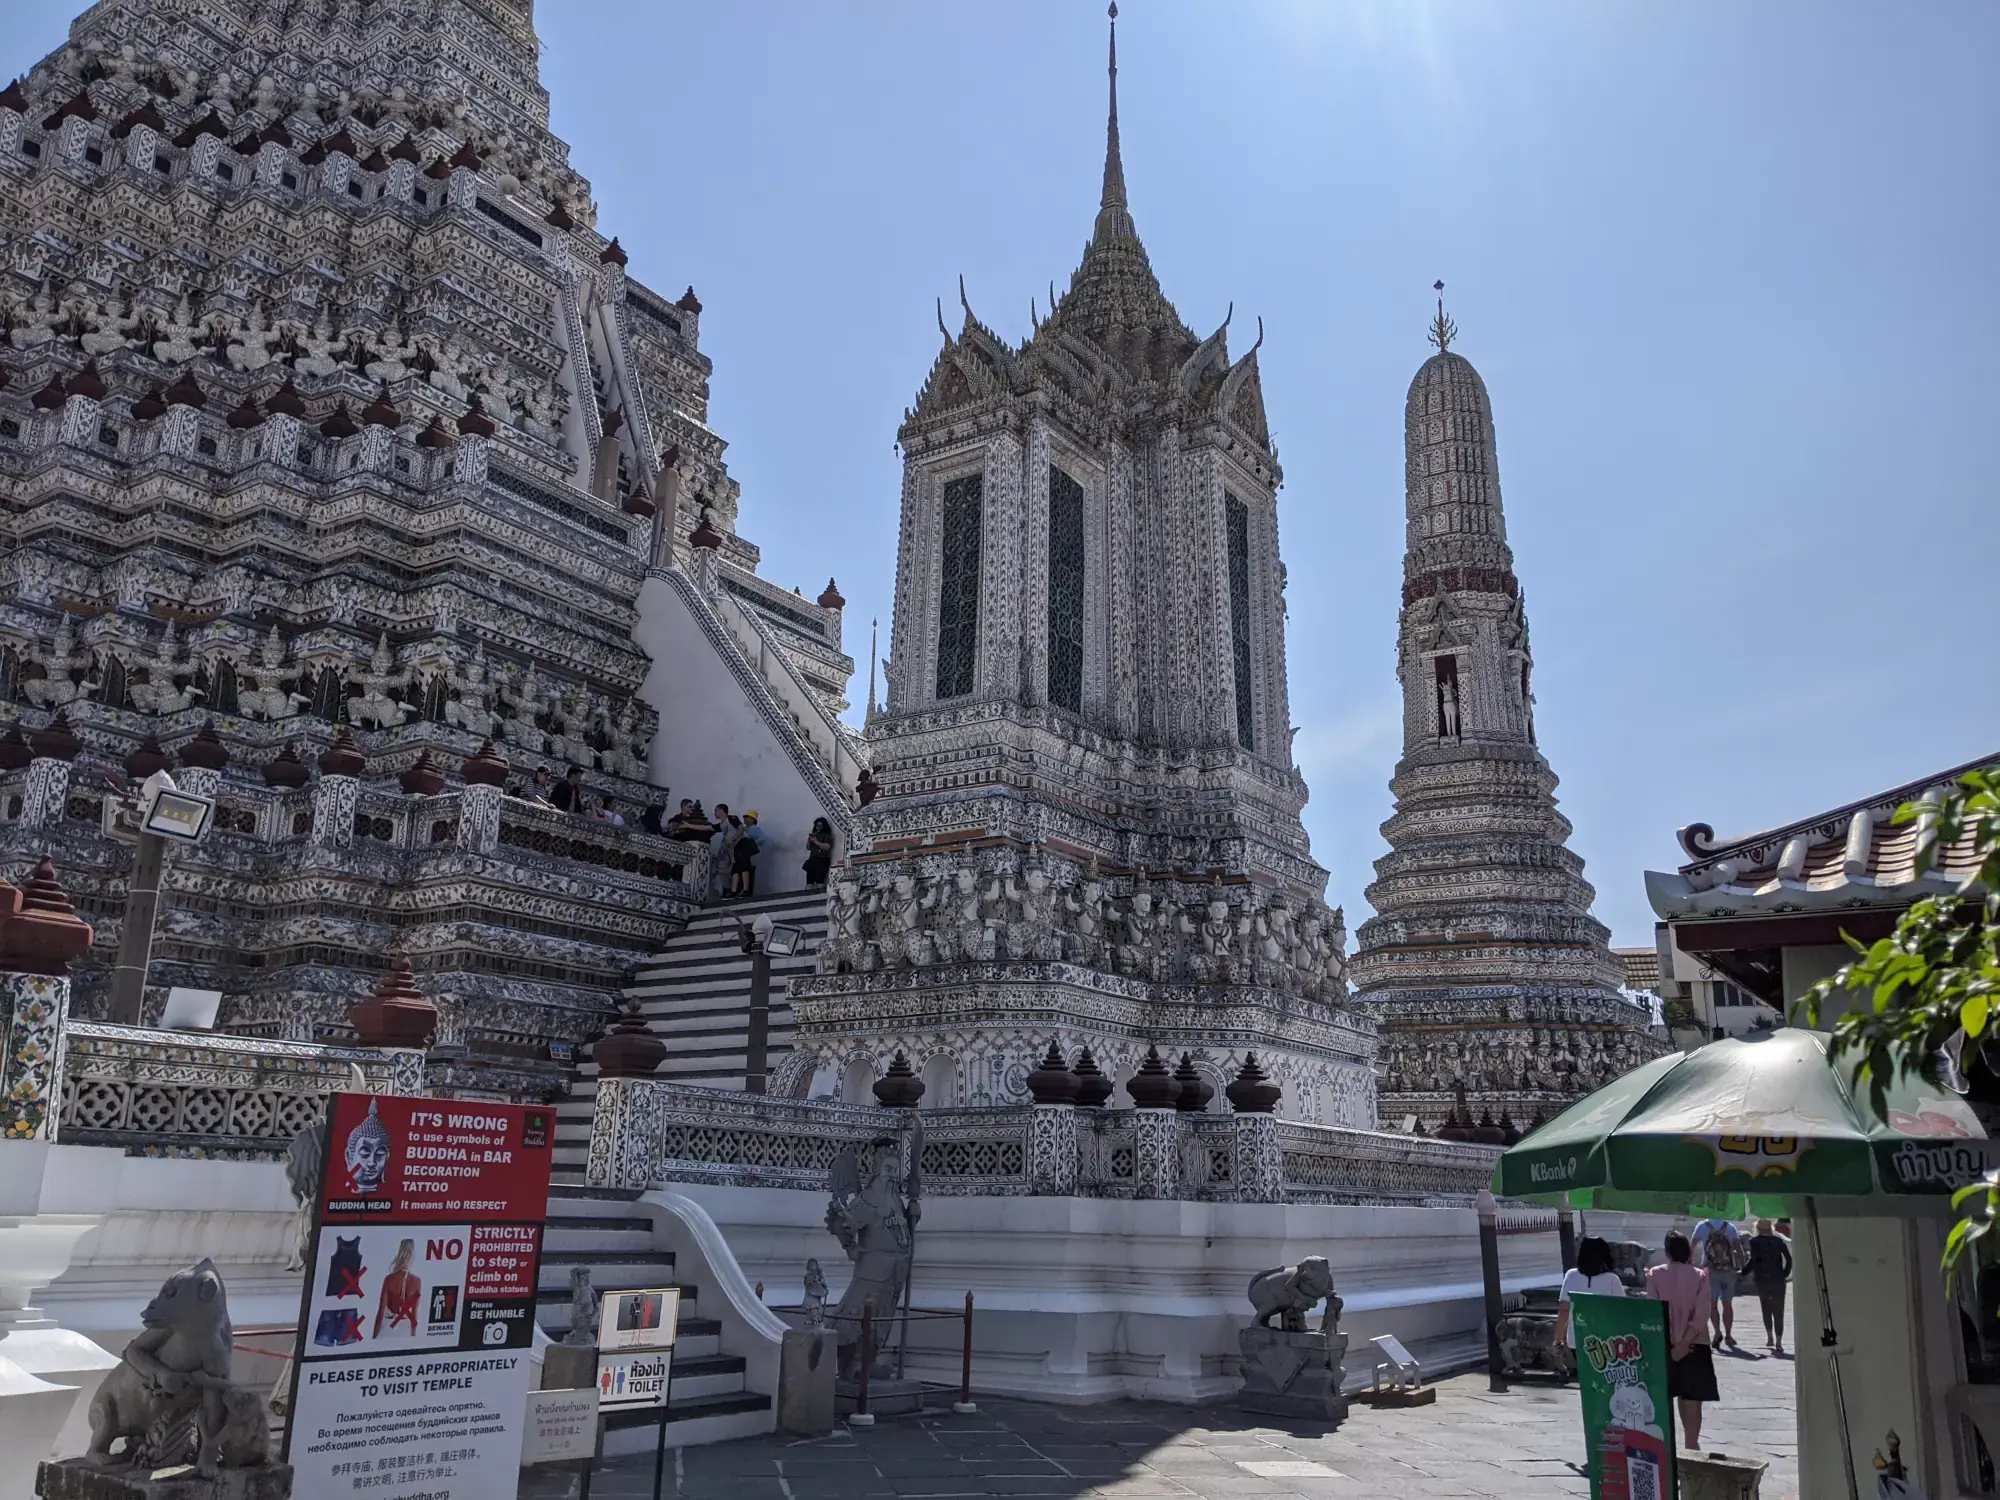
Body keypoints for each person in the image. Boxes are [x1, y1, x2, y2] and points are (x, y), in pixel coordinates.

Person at [1646, 1230, 1718, 1450]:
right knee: (1692, 1397)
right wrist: (1685, 1343)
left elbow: (1653, 1310)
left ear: (1667, 1252)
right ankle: (1692, 1444)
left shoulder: (1654, 1275)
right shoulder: (1700, 1276)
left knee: (1675, 1392)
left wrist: (1673, 1343)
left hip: (1664, 1345)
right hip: (1696, 1345)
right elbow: (1702, 1314)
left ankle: (1672, 1448)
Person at [1555, 1236, 1625, 1356]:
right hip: (1606, 1341)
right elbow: (1620, 1311)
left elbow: (1564, 1310)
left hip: (1576, 1340)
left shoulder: (1571, 1276)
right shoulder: (1612, 1279)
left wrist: (1558, 1339)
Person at [1693, 1217, 1744, 1349]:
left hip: (1710, 1270)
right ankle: (1728, 1335)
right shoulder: (1730, 1227)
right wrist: (1740, 1268)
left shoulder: (1702, 1225)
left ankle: (1717, 1332)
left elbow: (1691, 1247)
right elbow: (1739, 1250)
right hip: (1728, 1270)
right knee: (1727, 1304)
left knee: (1713, 1304)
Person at [1745, 1218, 1794, 1354]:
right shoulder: (1778, 1241)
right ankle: (1779, 1341)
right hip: (1778, 1279)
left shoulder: (1754, 1242)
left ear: (1758, 1228)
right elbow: (1789, 1259)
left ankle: (1770, 1337)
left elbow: (1753, 1261)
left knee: (1766, 1307)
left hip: (1761, 1280)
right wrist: (1784, 1274)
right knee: (1779, 1310)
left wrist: (1743, 1272)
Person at [373, 1238, 420, 1338]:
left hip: (388, 1328)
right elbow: (414, 1316)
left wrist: (374, 1337)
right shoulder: (416, 1281)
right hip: (405, 1330)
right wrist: (413, 1337)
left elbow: (381, 1311)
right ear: (412, 1255)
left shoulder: (389, 1279)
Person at [731, 809, 765, 897]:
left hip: (748, 854)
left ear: (753, 819)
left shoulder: (755, 829)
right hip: (741, 853)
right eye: (745, 817)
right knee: (738, 870)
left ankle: (746, 891)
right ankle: (738, 890)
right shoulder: (744, 829)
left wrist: (752, 844)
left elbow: (762, 839)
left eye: (748, 817)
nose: (745, 819)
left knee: (746, 870)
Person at [804, 816, 835, 888]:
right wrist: (809, 840)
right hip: (812, 859)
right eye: (817, 826)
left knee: (819, 880)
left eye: (820, 826)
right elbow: (808, 848)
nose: (818, 828)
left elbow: (827, 847)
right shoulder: (814, 835)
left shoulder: (827, 836)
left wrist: (816, 842)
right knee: (809, 881)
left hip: (822, 860)